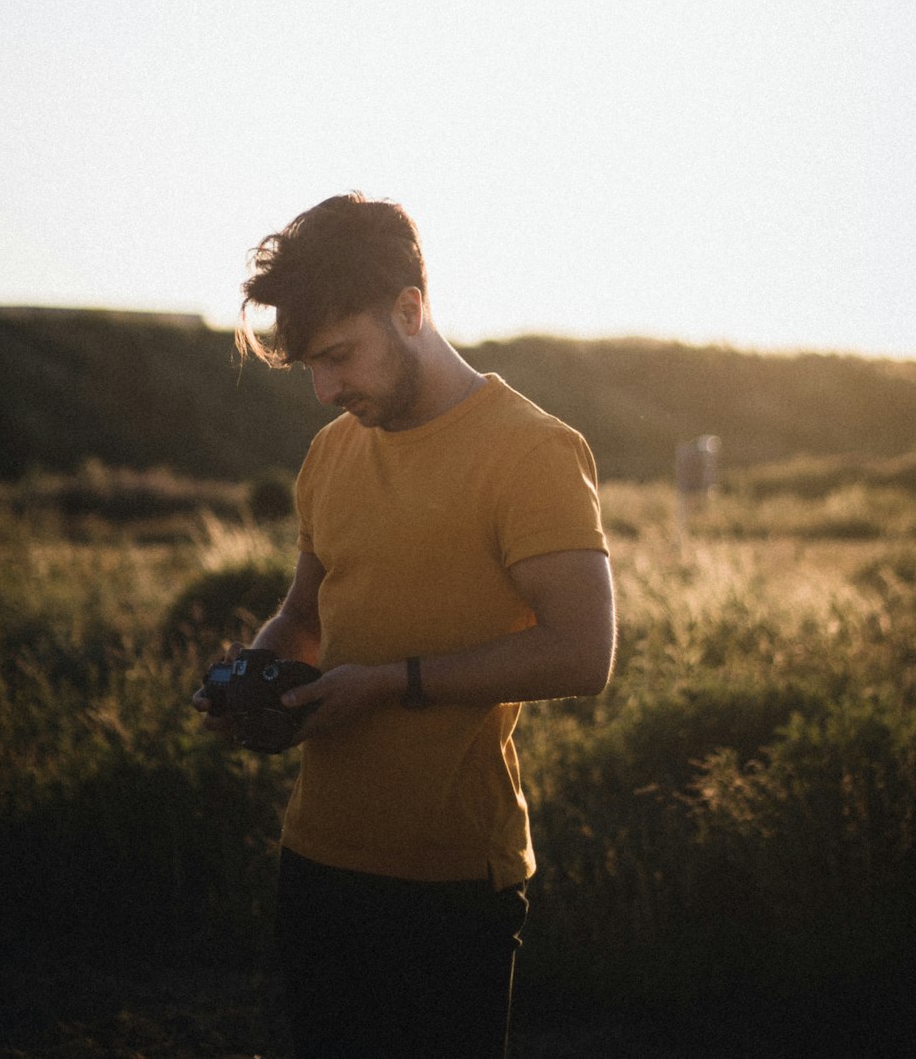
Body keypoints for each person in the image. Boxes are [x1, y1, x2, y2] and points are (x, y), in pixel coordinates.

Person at [193, 193, 615, 1059]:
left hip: (452, 879)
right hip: (315, 859)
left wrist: (390, 685)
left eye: (340, 357)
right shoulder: (332, 453)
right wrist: (259, 680)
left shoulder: (531, 450)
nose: (325, 390)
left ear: (411, 310)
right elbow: (303, 616)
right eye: (311, 366)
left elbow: (583, 651)